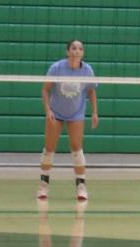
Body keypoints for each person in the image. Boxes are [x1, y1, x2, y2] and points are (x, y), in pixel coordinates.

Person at [39, 38, 99, 208]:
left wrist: (95, 112)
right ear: (68, 51)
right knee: (50, 147)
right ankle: (43, 185)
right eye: (73, 48)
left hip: (76, 114)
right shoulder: (57, 67)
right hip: (56, 113)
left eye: (80, 48)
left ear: (82, 52)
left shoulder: (87, 70)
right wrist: (48, 110)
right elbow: (45, 89)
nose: (77, 51)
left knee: (76, 147)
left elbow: (92, 92)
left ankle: (81, 187)